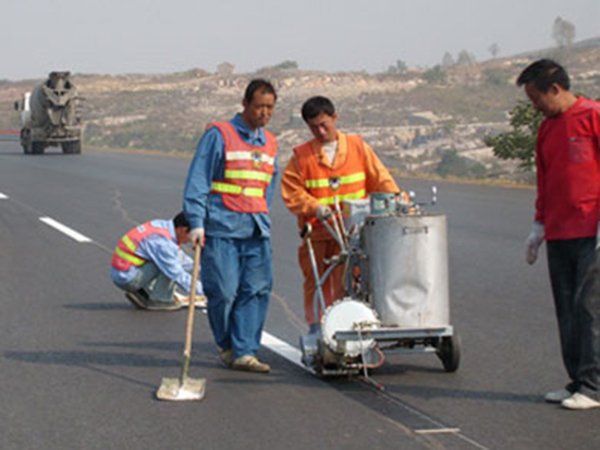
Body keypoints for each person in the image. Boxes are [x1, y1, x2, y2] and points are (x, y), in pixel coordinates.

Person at [281, 95, 402, 331]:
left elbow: (382, 180)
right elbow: (292, 192)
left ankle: (356, 325)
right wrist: (315, 207)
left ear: (335, 118)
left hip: (353, 233)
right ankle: (318, 327)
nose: (321, 131)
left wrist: (396, 201)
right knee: (317, 282)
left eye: (324, 124)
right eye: (314, 127)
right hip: (318, 232)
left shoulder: (358, 148)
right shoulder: (301, 157)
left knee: (353, 280)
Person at [520, 59, 600, 410]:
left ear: (555, 88)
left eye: (536, 97)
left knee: (589, 307)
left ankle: (594, 385)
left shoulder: (593, 116)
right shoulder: (547, 129)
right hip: (559, 232)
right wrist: (539, 225)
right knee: (566, 308)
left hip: (591, 231)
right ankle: (576, 381)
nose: (535, 105)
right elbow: (546, 179)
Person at [183, 79, 278, 373]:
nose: (264, 113)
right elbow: (199, 178)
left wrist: (261, 212)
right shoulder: (219, 134)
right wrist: (196, 222)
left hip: (256, 229)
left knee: (257, 289)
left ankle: (245, 351)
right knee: (223, 291)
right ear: (245, 104)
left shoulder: (270, 142)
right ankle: (226, 345)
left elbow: (268, 185)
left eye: (270, 108)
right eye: (259, 106)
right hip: (222, 226)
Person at [110, 212, 205, 311]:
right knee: (171, 266)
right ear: (183, 230)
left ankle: (146, 291)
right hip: (128, 278)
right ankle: (160, 299)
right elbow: (177, 274)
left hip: (126, 271)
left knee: (172, 259)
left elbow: (179, 256)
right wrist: (207, 291)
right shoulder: (163, 243)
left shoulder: (162, 227)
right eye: (192, 236)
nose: (191, 240)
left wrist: (202, 268)